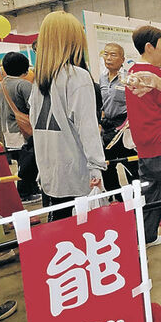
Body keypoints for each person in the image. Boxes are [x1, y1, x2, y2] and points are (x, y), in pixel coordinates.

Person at [30, 11, 106, 221]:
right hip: (77, 175)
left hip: (50, 173)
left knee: (60, 232)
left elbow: (34, 128)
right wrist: (97, 167)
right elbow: (88, 128)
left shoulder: (39, 81)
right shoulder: (77, 76)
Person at [125, 25, 161, 246]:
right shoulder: (154, 74)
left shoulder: (131, 73)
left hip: (144, 143)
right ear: (149, 47)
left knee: (150, 192)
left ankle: (145, 236)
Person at [0, 52, 40, 202]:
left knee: (23, 161)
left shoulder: (1, 85)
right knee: (28, 161)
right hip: (23, 130)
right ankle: (24, 193)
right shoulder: (23, 84)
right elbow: (35, 106)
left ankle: (32, 189)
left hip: (9, 131)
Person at [99, 43, 138, 193]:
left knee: (131, 166)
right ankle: (116, 198)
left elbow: (136, 101)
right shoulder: (102, 78)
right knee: (107, 167)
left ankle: (137, 199)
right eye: (106, 54)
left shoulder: (128, 78)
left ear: (122, 59)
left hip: (125, 128)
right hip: (107, 128)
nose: (108, 58)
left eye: (113, 55)